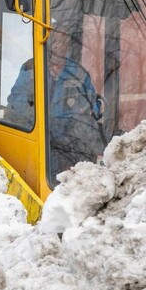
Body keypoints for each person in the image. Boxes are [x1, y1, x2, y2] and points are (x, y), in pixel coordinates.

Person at [44, 27, 105, 180]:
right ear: (49, 43)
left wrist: (88, 110)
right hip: (43, 137)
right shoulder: (33, 69)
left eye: (64, 42)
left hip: (71, 143)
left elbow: (93, 105)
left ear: (69, 46)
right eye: (56, 41)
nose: (60, 45)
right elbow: (18, 101)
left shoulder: (78, 73)